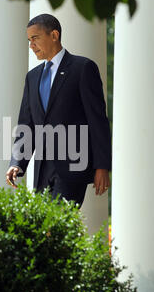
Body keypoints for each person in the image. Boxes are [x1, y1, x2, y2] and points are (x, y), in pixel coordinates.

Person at [6, 14, 111, 207]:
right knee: (45, 230)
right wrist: (17, 162)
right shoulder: (32, 77)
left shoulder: (83, 68)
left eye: (35, 38)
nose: (31, 46)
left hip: (73, 168)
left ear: (54, 35)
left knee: (57, 224)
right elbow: (26, 124)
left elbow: (98, 121)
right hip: (43, 170)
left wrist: (102, 166)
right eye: (29, 40)